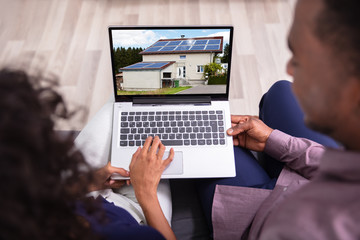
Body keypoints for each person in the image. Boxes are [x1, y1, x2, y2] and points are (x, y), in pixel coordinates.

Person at [196, 0, 360, 239]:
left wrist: (148, 196)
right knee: (282, 90)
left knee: (208, 136)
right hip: (308, 180)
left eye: (306, 57)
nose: (290, 67)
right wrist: (272, 141)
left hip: (254, 219)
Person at [0, 69, 176, 240]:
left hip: (82, 196)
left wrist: (88, 183)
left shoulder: (17, 207)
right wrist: (146, 193)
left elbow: (44, 198)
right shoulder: (131, 236)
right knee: (154, 145)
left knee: (120, 100)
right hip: (138, 213)